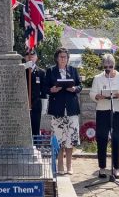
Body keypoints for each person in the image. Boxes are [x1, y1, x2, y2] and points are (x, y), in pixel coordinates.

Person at [89, 54, 119, 179]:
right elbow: (92, 93)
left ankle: (116, 168)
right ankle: (102, 168)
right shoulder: (98, 78)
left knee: (117, 139)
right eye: (106, 67)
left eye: (110, 67)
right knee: (101, 138)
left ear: (114, 66)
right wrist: (97, 96)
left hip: (117, 111)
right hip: (102, 111)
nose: (108, 69)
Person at [45, 47, 82, 175]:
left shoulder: (73, 70)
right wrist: (52, 90)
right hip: (57, 109)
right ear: (56, 58)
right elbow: (45, 88)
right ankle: (59, 165)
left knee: (70, 139)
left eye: (65, 57)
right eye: (61, 57)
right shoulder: (50, 71)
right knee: (59, 139)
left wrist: (75, 89)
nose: (63, 59)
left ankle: (69, 165)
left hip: (71, 109)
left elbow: (80, 85)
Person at [24, 49, 46, 137]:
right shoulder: (22, 70)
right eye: (28, 56)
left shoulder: (41, 72)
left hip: (36, 103)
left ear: (36, 58)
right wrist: (24, 67)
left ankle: (36, 146)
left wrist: (44, 106)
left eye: (33, 56)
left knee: (36, 126)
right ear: (25, 58)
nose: (31, 58)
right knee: (24, 126)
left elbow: (44, 90)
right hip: (24, 102)